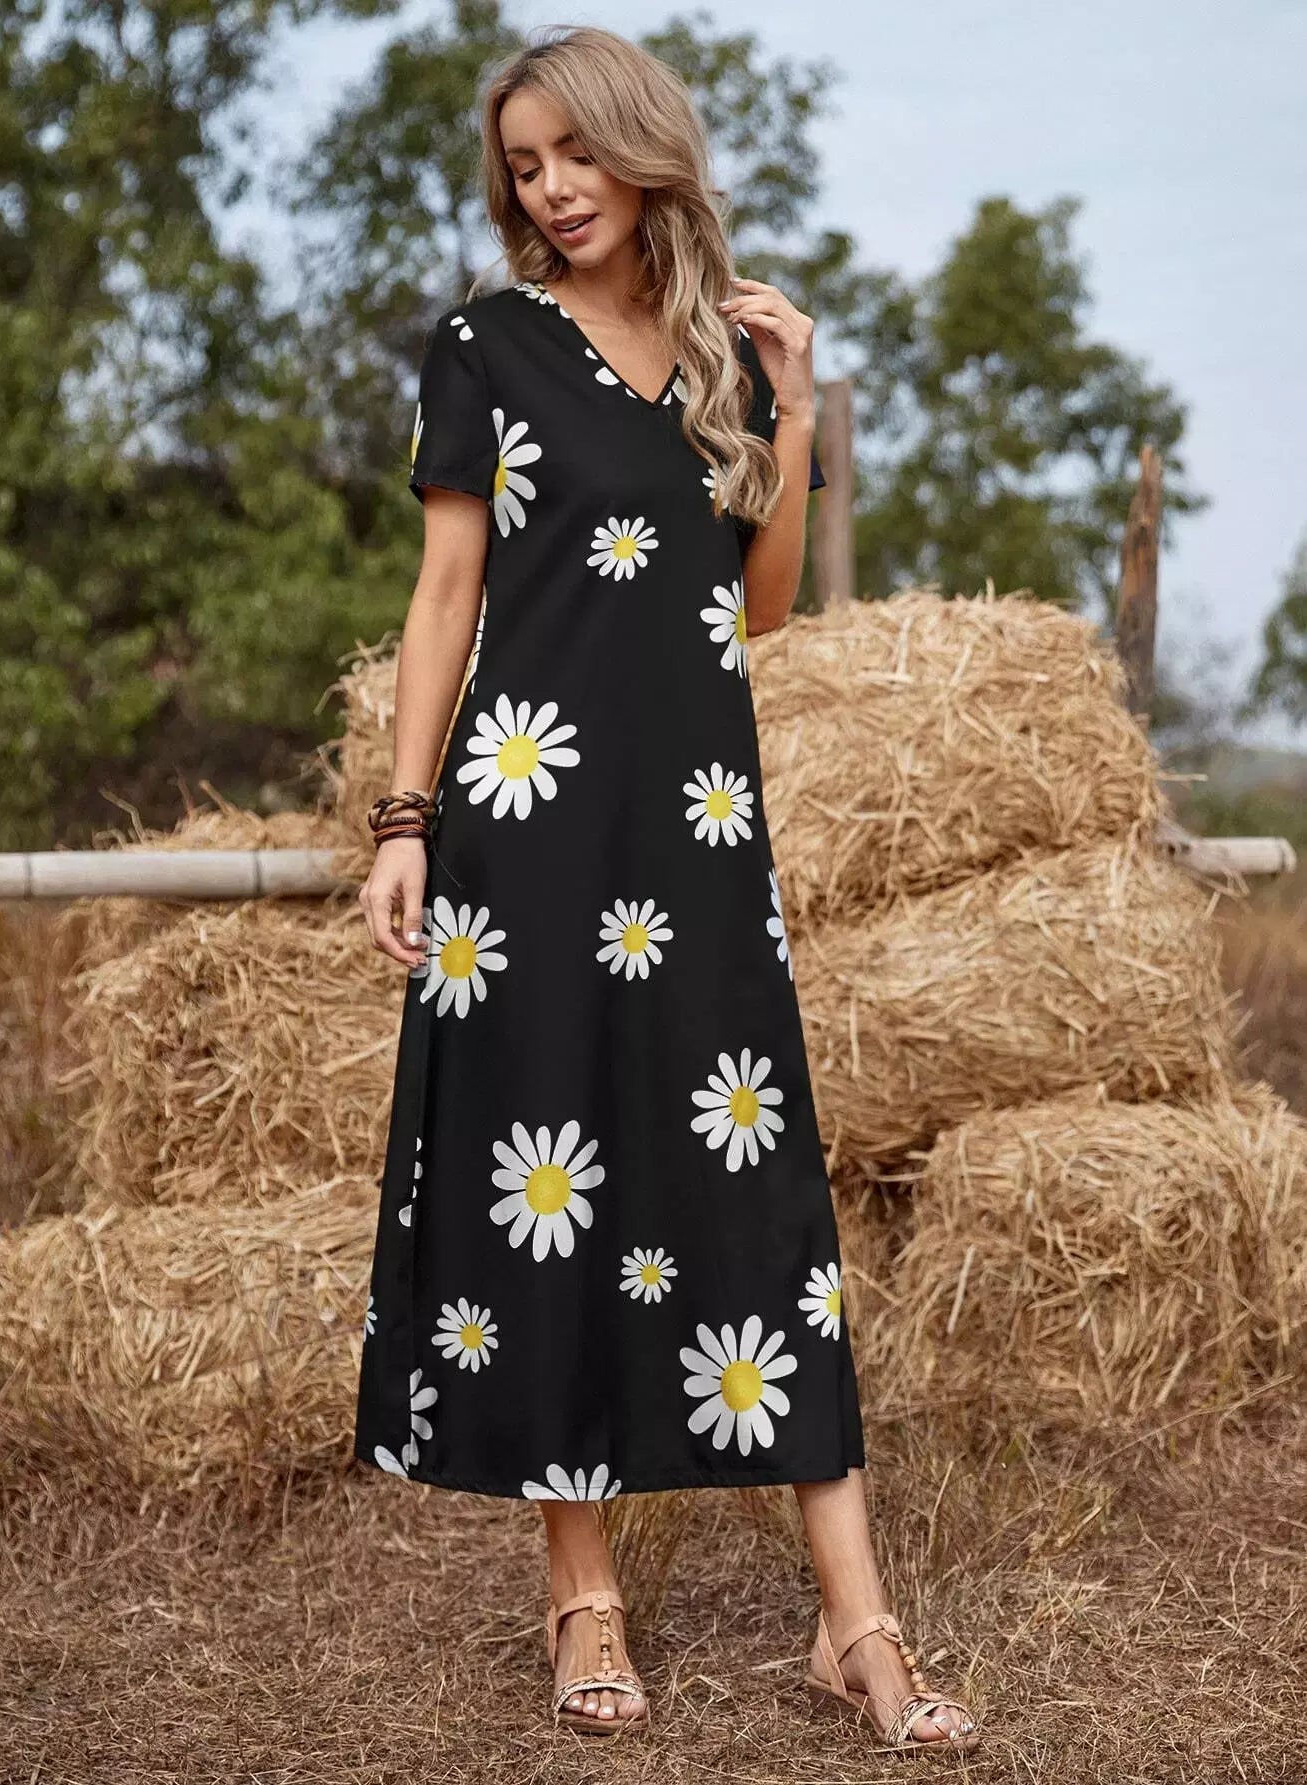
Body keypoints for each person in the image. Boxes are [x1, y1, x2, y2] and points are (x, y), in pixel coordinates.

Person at [352, 23, 980, 1756]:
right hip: (528, 827)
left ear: (646, 151)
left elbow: (756, 607)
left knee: (761, 1203)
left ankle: (857, 1625)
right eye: (524, 167)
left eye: (577, 154)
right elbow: (447, 591)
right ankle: (585, 1595)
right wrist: (406, 817)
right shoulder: (486, 345)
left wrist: (793, 399)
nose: (552, 190)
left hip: (698, 841)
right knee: (549, 1186)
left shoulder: (727, 354)